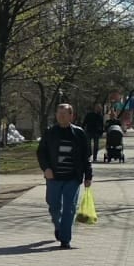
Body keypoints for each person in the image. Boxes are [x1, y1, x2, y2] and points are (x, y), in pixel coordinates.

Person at [36, 103, 94, 250]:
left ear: (71, 116)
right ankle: (58, 225)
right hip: (53, 177)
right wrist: (46, 168)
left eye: (64, 114)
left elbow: (86, 157)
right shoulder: (50, 132)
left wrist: (88, 176)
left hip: (72, 178)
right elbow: (41, 153)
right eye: (58, 113)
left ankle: (65, 239)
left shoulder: (79, 134)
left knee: (69, 208)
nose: (60, 116)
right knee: (53, 206)